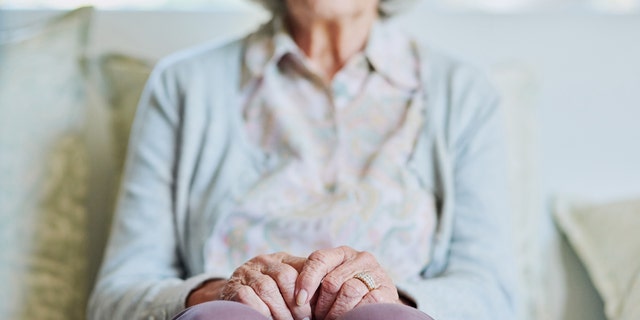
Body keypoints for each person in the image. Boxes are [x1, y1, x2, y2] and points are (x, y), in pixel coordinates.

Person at [88, 0, 518, 319]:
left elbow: (496, 295)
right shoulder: (183, 85)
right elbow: (115, 296)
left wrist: (390, 298)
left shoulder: (462, 92)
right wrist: (219, 292)